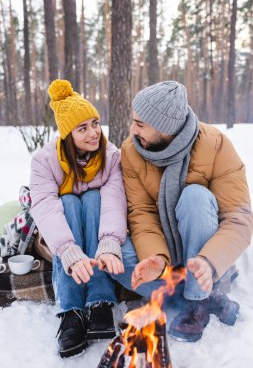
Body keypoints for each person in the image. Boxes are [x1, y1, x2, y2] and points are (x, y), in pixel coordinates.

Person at [111, 80, 253, 342]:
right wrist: (155, 259)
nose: (132, 130)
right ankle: (204, 293)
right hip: (163, 250)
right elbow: (141, 214)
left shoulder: (216, 145)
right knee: (116, 257)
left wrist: (208, 262)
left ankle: (198, 299)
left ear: (166, 128)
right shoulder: (131, 151)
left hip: (203, 246)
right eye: (133, 121)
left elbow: (239, 218)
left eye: (140, 124)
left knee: (195, 196)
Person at [30, 79, 127, 358]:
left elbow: (114, 200)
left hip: (98, 225)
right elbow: (46, 208)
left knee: (95, 198)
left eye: (95, 123)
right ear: (67, 133)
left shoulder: (111, 157)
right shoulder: (44, 161)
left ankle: (100, 301)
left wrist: (110, 241)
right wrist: (69, 251)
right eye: (82, 128)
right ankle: (71, 309)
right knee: (68, 201)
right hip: (58, 235)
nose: (93, 133)